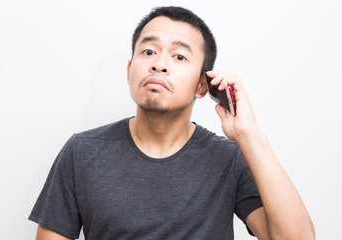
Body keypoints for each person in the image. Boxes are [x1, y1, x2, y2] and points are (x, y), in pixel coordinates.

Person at [29, 6, 315, 240]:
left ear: (203, 85)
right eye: (149, 52)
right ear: (130, 72)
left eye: (179, 56)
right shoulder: (82, 152)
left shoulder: (230, 158)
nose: (159, 64)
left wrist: (249, 135)